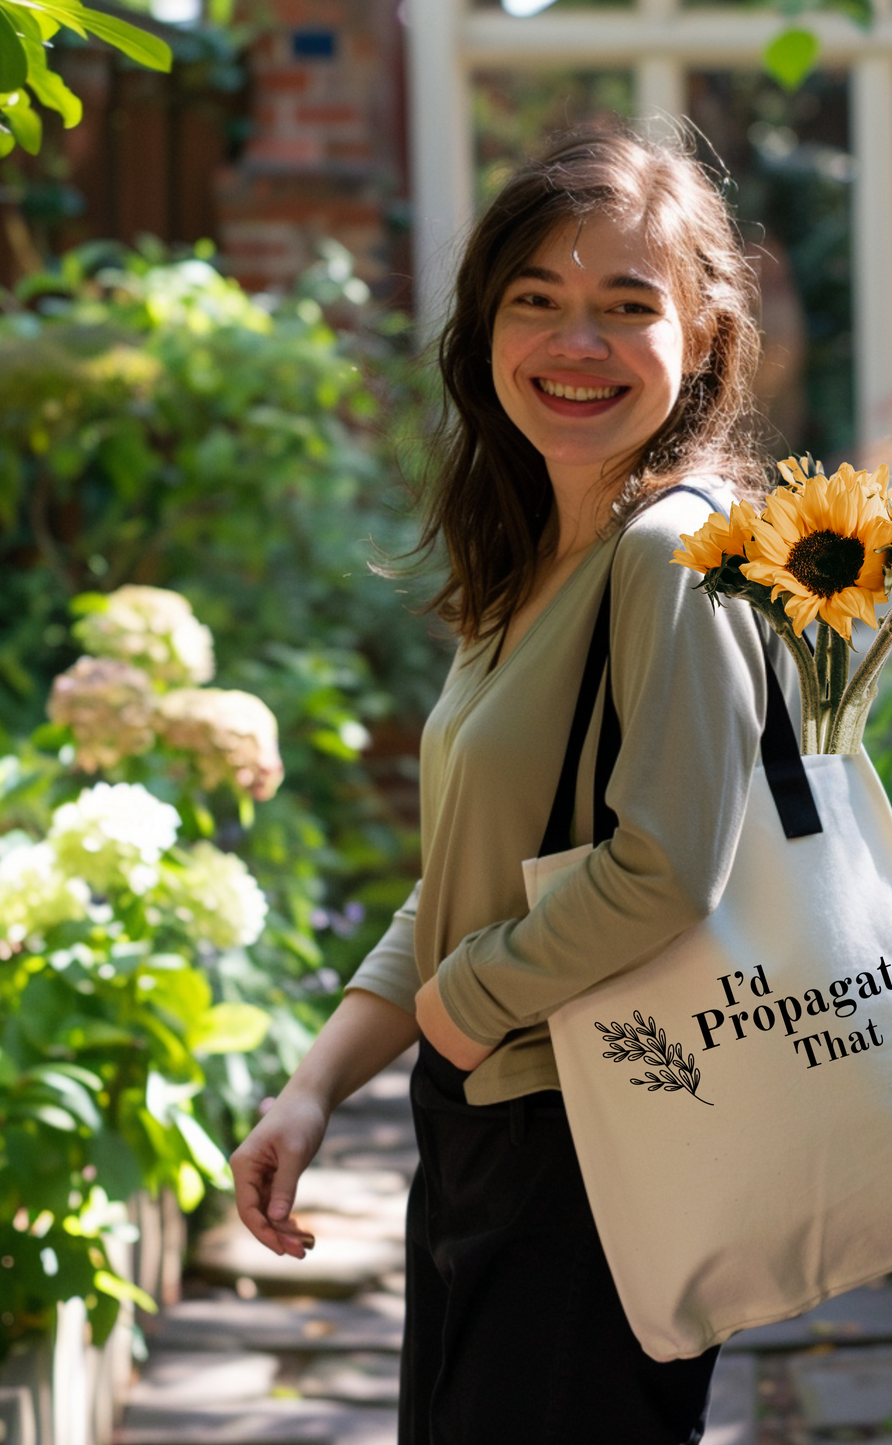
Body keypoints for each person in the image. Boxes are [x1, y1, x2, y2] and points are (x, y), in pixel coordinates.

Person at [229, 125, 791, 1445]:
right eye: (535, 301)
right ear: (485, 328)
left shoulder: (673, 553)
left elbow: (665, 864)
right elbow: (468, 868)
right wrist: (318, 1087)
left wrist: (467, 1003)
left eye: (623, 307)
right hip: (503, 1119)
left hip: (600, 1145)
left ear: (704, 334)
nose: (572, 345)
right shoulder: (538, 560)